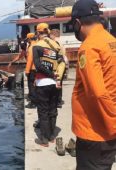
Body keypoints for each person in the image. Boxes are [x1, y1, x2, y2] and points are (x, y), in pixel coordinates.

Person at [70, 0, 116, 169]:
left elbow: (97, 92)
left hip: (95, 130)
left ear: (77, 23)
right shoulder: (110, 41)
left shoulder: (89, 47)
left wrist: (112, 124)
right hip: (106, 130)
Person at [32, 23, 66, 147]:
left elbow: (38, 65)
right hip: (54, 83)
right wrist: (57, 77)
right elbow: (62, 63)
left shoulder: (37, 46)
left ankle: (44, 139)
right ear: (48, 31)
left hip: (42, 82)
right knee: (53, 109)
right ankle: (52, 136)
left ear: (38, 33)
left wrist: (50, 74)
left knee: (43, 111)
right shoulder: (55, 45)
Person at [50, 29, 69, 108]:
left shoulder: (54, 42)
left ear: (53, 35)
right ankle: (59, 101)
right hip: (63, 64)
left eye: (50, 34)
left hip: (57, 65)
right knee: (59, 83)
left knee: (55, 83)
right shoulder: (62, 42)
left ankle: (56, 101)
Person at [24, 33, 38, 109]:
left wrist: (27, 71)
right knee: (36, 86)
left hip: (32, 69)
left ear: (29, 39)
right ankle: (37, 100)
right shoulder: (38, 44)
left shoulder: (31, 47)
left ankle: (33, 103)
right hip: (38, 69)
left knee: (31, 86)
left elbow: (30, 60)